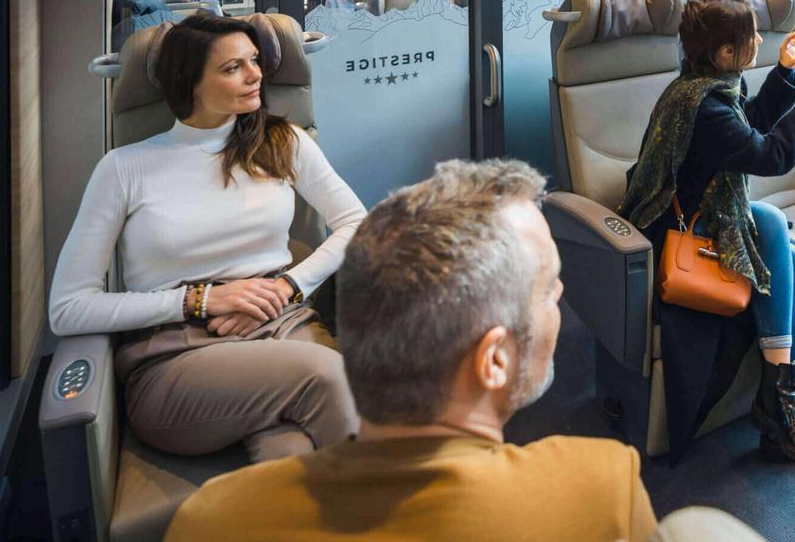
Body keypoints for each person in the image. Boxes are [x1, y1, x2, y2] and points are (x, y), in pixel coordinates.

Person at [164, 160, 657, 542]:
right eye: (548, 288)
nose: (561, 295)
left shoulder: (211, 519)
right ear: (495, 360)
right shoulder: (602, 492)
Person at [49, 13, 366, 462]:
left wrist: (287, 287)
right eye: (233, 67)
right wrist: (200, 300)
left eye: (254, 60)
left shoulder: (284, 141)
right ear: (189, 82)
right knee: (327, 374)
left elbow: (356, 222)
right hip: (177, 354)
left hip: (279, 322)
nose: (255, 75)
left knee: (290, 454)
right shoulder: (123, 169)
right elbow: (68, 309)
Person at [618, 0, 795, 464]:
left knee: (789, 256)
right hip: (679, 235)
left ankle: (783, 404)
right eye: (752, 37)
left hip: (705, 216)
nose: (760, 41)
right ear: (726, 52)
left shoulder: (704, 86)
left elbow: (746, 131)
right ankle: (782, 408)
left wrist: (784, 74)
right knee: (774, 227)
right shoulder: (704, 107)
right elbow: (770, 155)